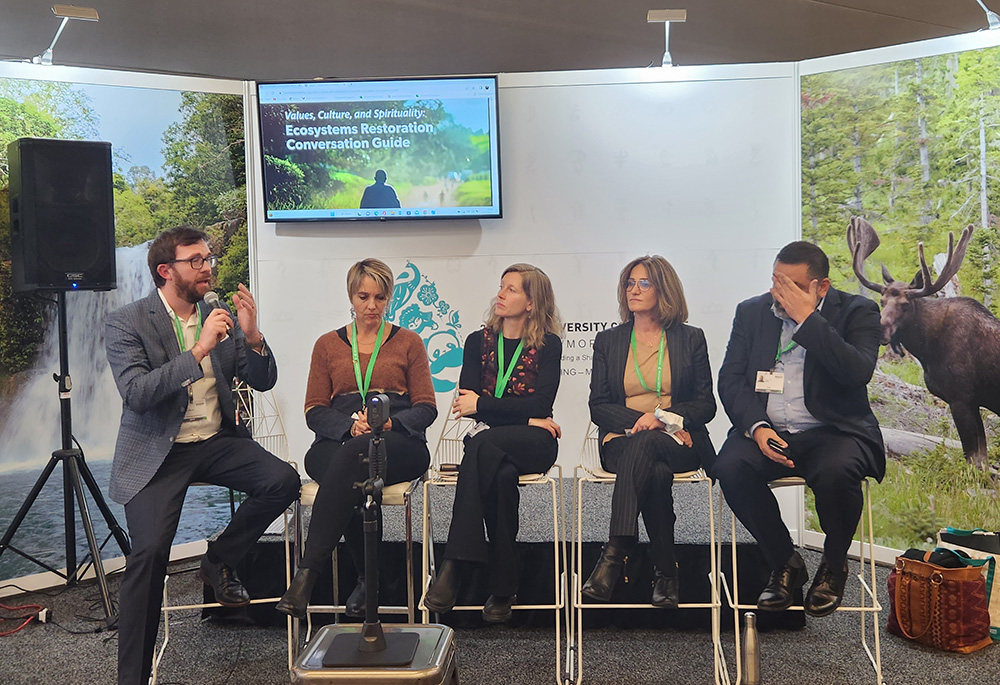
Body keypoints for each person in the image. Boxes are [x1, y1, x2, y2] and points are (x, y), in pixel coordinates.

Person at [105, 226, 300, 685]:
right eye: (196, 260)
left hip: (216, 440)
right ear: (165, 271)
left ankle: (219, 558)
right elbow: (137, 394)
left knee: (283, 481)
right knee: (149, 553)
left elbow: (263, 379)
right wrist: (199, 350)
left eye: (208, 258)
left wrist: (251, 337)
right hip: (160, 450)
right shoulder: (128, 321)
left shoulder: (219, 313)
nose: (207, 267)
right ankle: (131, 677)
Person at [714, 240, 884, 617]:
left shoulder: (858, 311)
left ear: (820, 287)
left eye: (791, 286)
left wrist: (809, 320)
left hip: (832, 430)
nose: (780, 294)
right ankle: (785, 561)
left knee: (839, 473)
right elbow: (731, 380)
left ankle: (835, 563)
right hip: (769, 428)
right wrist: (756, 427)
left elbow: (856, 372)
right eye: (777, 282)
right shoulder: (752, 312)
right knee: (729, 467)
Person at [276, 258, 436, 618]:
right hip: (338, 437)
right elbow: (314, 409)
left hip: (399, 441)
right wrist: (349, 428)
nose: (372, 306)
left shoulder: (409, 342)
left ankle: (308, 573)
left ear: (389, 298)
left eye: (380, 298)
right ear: (351, 296)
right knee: (349, 464)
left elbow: (426, 407)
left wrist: (387, 424)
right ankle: (369, 579)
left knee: (351, 459)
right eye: (364, 297)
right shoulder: (327, 345)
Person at [422, 263, 563, 623]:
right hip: (498, 441)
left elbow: (536, 405)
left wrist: (488, 406)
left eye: (512, 289)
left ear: (532, 303)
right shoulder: (477, 341)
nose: (500, 294)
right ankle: (503, 588)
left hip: (535, 443)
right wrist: (523, 415)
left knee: (483, 445)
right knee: (498, 476)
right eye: (502, 287)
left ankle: (455, 564)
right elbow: (465, 405)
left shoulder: (548, 346)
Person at [581, 255, 716, 608]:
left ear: (664, 290)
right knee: (652, 470)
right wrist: (641, 421)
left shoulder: (690, 338)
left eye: (644, 283)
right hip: (621, 443)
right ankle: (666, 572)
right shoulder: (609, 340)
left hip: (676, 441)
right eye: (629, 283)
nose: (633, 290)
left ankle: (614, 553)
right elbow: (599, 406)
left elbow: (705, 405)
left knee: (651, 446)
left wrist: (664, 418)